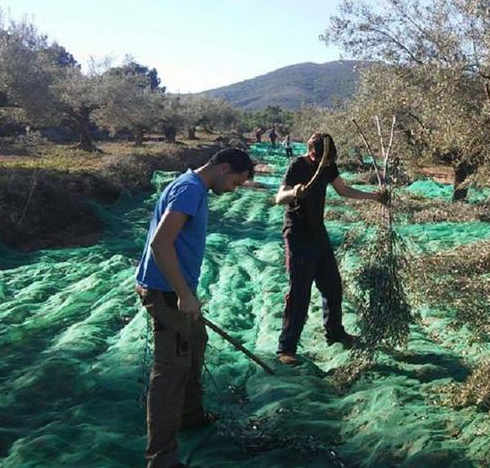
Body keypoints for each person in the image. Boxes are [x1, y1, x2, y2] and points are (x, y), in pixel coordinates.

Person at [135, 148, 255, 468]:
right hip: (166, 293)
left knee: (196, 344)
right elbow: (160, 244)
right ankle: (161, 458)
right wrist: (183, 294)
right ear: (224, 167)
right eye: (235, 183)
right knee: (170, 371)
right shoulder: (189, 190)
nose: (234, 189)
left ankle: (190, 416)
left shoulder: (193, 186)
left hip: (176, 290)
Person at [272, 132, 385, 365]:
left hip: (318, 233)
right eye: (319, 158)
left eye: (328, 160)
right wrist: (295, 192)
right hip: (298, 235)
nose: (323, 163)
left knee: (332, 286)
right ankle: (287, 348)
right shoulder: (298, 165)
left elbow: (343, 190)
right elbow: (279, 197)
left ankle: (335, 333)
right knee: (299, 292)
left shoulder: (328, 166)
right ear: (311, 152)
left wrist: (374, 197)